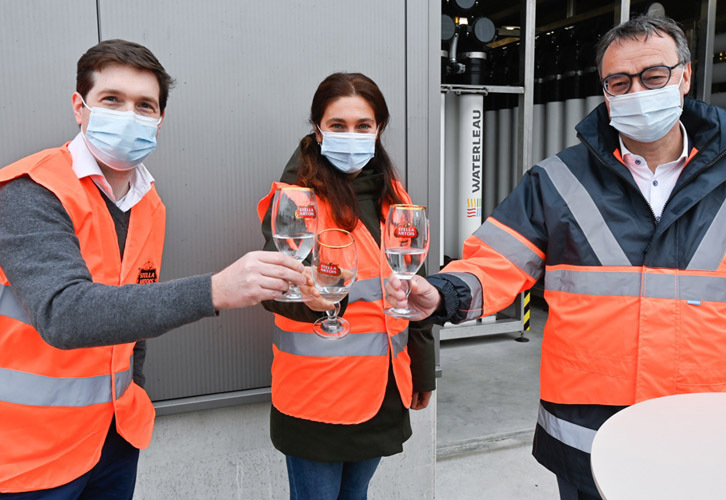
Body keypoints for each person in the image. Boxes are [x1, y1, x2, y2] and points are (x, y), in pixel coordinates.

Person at [387, 15, 726, 500]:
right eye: (619, 82)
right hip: (588, 434)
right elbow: (495, 262)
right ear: (605, 92)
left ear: (685, 75)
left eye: (654, 76)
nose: (636, 91)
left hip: (704, 423)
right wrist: (442, 292)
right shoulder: (558, 180)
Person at [0, 39, 305, 498]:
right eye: (112, 100)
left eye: (145, 105)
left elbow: (134, 315)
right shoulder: (30, 191)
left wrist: (135, 392)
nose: (130, 115)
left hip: (115, 439)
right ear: (79, 108)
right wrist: (215, 290)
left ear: (160, 121)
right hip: (29, 455)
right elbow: (65, 314)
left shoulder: (148, 204)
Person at [257, 72, 435, 500]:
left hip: (384, 388)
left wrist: (423, 370)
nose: (350, 136)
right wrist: (313, 301)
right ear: (317, 130)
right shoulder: (297, 199)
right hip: (317, 397)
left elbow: (416, 287)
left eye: (363, 126)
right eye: (337, 126)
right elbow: (274, 288)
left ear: (378, 130)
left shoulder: (392, 195)